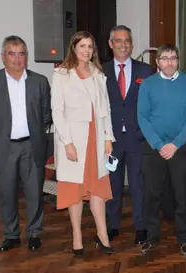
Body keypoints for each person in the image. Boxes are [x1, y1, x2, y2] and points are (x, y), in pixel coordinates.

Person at [0, 35, 51, 252]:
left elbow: (46, 115)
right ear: (3, 57)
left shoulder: (39, 81)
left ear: (26, 57)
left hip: (32, 147)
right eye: (11, 53)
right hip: (4, 148)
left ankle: (34, 233)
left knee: (35, 194)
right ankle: (11, 235)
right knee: (7, 195)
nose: (17, 59)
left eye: (21, 53)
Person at [51, 31, 115, 256]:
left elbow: (105, 108)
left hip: (97, 139)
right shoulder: (61, 74)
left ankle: (103, 235)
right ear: (74, 48)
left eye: (90, 46)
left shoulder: (98, 73)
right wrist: (67, 142)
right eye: (82, 46)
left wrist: (108, 137)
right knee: (74, 190)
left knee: (98, 187)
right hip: (74, 141)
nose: (86, 51)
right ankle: (77, 236)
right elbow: (57, 111)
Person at [137, 44, 186, 256]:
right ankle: (151, 237)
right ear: (157, 62)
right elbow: (142, 116)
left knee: (183, 196)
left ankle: (185, 238)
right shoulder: (147, 84)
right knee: (151, 195)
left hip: (179, 147)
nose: (169, 62)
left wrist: (175, 143)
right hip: (153, 146)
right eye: (165, 58)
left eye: (173, 58)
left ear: (178, 60)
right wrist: (159, 144)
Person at [103, 25, 154, 244]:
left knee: (138, 185)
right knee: (112, 184)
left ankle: (141, 226)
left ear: (131, 44)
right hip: (111, 141)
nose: (123, 44)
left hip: (138, 139)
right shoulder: (99, 71)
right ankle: (112, 225)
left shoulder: (146, 71)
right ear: (111, 43)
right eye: (119, 40)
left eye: (127, 41)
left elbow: (153, 105)